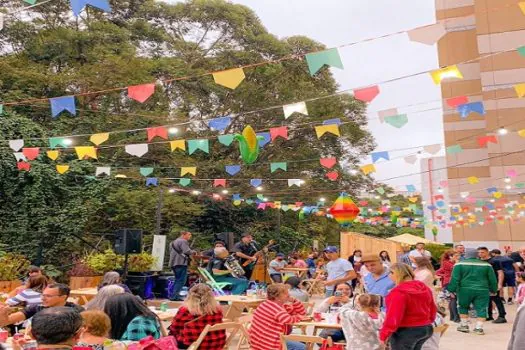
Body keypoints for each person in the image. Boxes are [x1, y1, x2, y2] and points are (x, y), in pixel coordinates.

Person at [379, 263, 436, 350]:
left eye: (389, 274)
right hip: (425, 327)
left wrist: (383, 335)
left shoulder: (398, 292)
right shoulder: (423, 287)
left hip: (406, 330)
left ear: (395, 273)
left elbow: (393, 317)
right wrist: (428, 321)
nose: (388, 276)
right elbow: (432, 307)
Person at [447, 248, 498, 335]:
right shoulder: (487, 265)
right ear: (477, 255)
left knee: (463, 307)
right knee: (482, 308)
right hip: (482, 289)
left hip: (464, 289)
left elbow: (455, 279)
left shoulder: (458, 265)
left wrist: (451, 289)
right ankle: (479, 328)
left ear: (466, 255)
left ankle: (464, 325)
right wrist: (494, 289)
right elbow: (492, 280)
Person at [249, 283, 307, 350]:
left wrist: (294, 301)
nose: (288, 295)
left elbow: (302, 313)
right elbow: (288, 320)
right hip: (269, 343)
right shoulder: (275, 308)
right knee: (302, 347)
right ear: (277, 297)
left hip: (260, 341)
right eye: (285, 293)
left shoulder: (269, 304)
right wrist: (300, 317)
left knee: (300, 342)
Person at [169, 284, 226, 349]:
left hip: (194, 345)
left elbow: (174, 328)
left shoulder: (186, 309)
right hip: (217, 344)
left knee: (170, 338)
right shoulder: (217, 309)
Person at [0, 283, 84, 327]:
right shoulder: (37, 308)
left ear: (63, 297)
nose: (43, 298)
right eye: (43, 295)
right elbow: (6, 322)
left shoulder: (76, 310)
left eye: (48, 296)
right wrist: (3, 315)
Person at [478, 246, 507, 324]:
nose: (480, 254)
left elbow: (500, 273)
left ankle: (502, 316)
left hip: (493, 283)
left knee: (496, 299)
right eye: (479, 252)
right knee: (487, 299)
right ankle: (489, 315)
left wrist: (499, 284)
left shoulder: (494, 261)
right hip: (483, 284)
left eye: (482, 252)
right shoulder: (478, 261)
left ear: (487, 252)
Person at [169, 231, 196, 301]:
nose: (190, 237)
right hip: (181, 262)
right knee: (181, 280)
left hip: (173, 263)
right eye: (189, 235)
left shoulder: (172, 242)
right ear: (183, 235)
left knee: (177, 279)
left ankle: (174, 295)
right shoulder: (183, 241)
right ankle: (175, 296)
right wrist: (194, 252)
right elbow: (187, 251)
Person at [436, 250, 459, 322]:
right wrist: (445, 276)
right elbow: (456, 269)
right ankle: (456, 317)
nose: (458, 257)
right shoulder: (446, 263)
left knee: (452, 299)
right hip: (449, 282)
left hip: (451, 282)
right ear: (450, 256)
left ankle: (453, 317)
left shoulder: (451, 262)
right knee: (453, 299)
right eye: (456, 256)